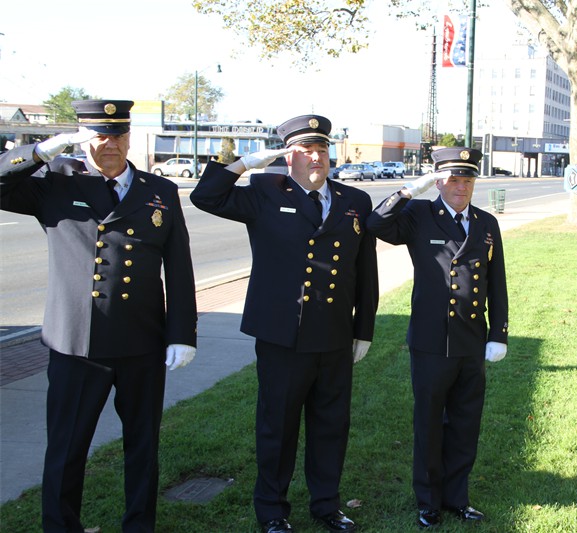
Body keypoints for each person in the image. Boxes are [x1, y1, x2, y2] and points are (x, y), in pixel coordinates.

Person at [0, 99, 198, 532]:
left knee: (143, 446)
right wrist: (40, 152)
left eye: (118, 135)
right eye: (98, 136)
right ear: (82, 139)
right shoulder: (54, 184)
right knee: (67, 448)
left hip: (142, 341)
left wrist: (182, 332)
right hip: (76, 344)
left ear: (130, 137)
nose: (109, 144)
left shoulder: (158, 190)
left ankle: (138, 525)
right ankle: (60, 526)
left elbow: (179, 266)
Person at [190, 114, 378, 533]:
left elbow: (366, 269)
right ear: (288, 155)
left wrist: (363, 327)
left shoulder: (353, 201)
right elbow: (205, 197)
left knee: (332, 425)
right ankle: (272, 510)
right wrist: (244, 165)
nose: (316, 157)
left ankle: (326, 504)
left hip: (333, 334)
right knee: (278, 426)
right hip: (282, 334)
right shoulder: (264, 191)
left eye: (322, 150)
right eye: (306, 149)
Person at [366, 147, 508, 529]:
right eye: (453, 179)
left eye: (468, 179)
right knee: (429, 424)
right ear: (439, 181)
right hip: (432, 341)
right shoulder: (418, 215)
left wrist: (499, 333)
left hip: (471, 340)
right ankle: (428, 501)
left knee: (465, 423)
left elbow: (497, 283)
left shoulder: (486, 222)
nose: (461, 186)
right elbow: (376, 224)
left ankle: (457, 498)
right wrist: (410, 190)